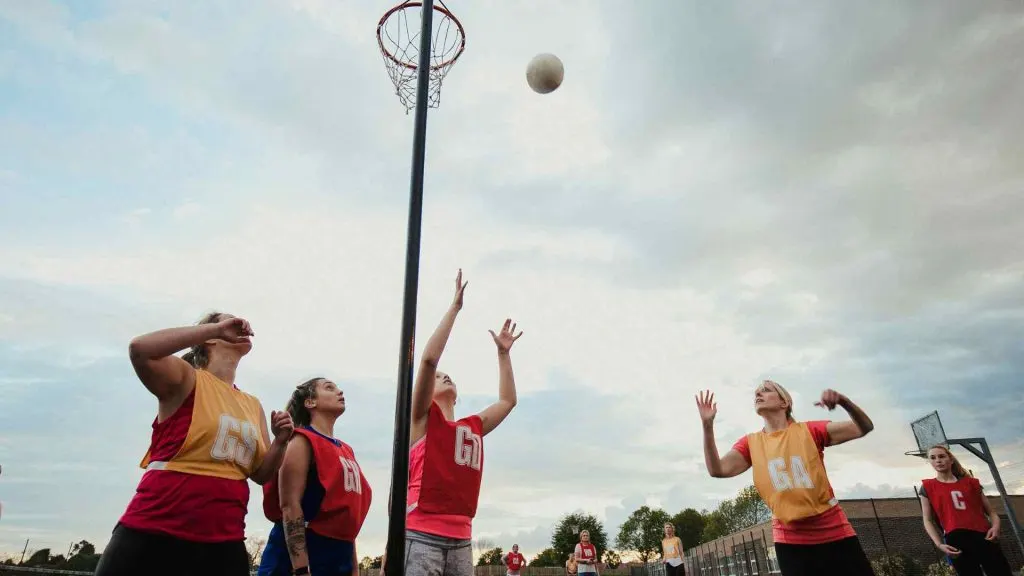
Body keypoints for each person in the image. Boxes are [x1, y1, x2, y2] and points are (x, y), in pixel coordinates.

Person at [95, 312, 294, 576]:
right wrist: (216, 329)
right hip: (155, 532)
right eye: (226, 321)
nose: (240, 324)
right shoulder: (187, 379)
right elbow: (140, 349)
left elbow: (261, 474)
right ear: (210, 338)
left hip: (224, 541)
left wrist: (280, 442)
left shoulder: (252, 404)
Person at [400, 269, 523, 576]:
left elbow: (507, 401)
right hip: (421, 534)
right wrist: (454, 309)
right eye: (440, 378)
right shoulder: (422, 420)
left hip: (461, 538)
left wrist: (503, 355)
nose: (444, 376)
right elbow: (429, 361)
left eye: (448, 376)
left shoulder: (471, 427)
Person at [696, 380, 876, 576]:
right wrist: (707, 426)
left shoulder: (810, 431)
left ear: (785, 402)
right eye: (756, 392)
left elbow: (863, 427)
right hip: (790, 542)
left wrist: (844, 402)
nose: (758, 394)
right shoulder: (751, 443)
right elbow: (718, 469)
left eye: (766, 390)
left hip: (834, 532)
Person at [259, 377, 373, 576]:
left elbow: (347, 517)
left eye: (338, 387)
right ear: (310, 402)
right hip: (305, 554)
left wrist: (354, 568)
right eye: (329, 388)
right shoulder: (301, 440)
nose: (340, 391)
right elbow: (289, 505)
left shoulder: (346, 450)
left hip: (339, 555)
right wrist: (301, 569)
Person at [919, 444, 1013, 576]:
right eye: (933, 458)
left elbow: (991, 512)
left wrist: (996, 526)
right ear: (930, 462)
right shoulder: (927, 487)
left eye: (941, 456)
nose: (938, 460)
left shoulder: (971, 483)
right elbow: (927, 520)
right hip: (956, 540)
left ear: (951, 459)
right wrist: (939, 544)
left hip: (984, 536)